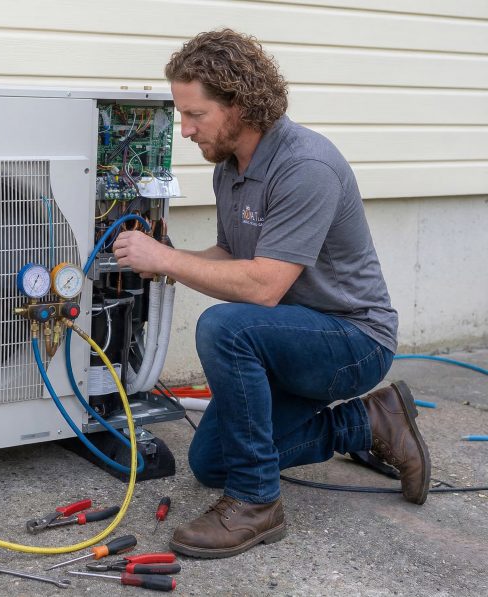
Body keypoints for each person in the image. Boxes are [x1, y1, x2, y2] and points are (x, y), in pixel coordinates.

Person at [112, 29, 431, 559]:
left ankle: (257, 504)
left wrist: (167, 260)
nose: (184, 130)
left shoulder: (305, 166)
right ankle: (370, 421)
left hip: (352, 340)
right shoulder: (230, 169)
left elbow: (263, 286)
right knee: (211, 462)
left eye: (195, 115)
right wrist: (168, 259)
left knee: (223, 326)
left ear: (238, 105)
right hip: (291, 336)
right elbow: (234, 256)